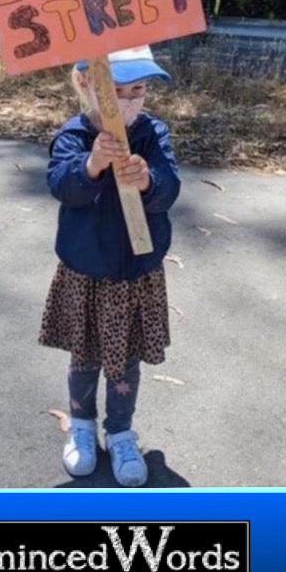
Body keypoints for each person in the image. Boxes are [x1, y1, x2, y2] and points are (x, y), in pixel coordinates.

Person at [39, 45, 181, 486]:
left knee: (126, 361)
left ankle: (120, 431)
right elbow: (62, 186)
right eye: (117, 90)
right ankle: (82, 426)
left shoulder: (152, 133)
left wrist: (150, 181)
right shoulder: (74, 136)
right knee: (85, 358)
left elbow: (170, 187)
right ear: (87, 85)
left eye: (138, 89)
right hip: (86, 273)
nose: (130, 100)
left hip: (135, 274)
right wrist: (92, 165)